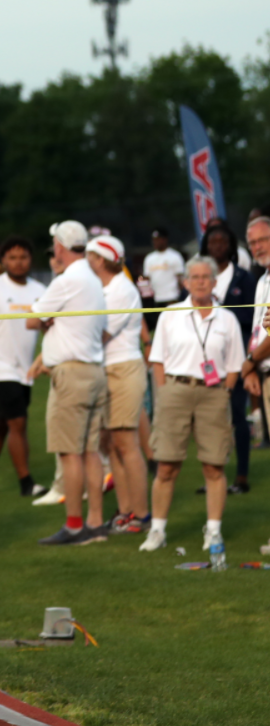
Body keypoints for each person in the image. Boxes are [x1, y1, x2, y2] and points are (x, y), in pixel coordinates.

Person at [139, 256, 244, 552]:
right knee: (166, 466)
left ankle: (213, 531)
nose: (200, 281)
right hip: (176, 390)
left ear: (214, 282)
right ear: (185, 282)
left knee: (214, 466)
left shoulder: (227, 318)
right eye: (194, 277)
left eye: (205, 277)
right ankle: (157, 531)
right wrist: (164, 391)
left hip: (213, 394)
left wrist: (225, 392)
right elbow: (157, 359)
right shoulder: (171, 314)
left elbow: (235, 363)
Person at [28, 221, 109, 545]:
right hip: (93, 371)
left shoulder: (67, 280)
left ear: (60, 246)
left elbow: (33, 319)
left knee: (69, 453)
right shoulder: (92, 279)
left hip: (72, 375)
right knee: (90, 452)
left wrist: (49, 319)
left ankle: (76, 527)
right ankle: (95, 523)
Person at [0, 236, 47, 497]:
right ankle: (27, 482)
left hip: (25, 371)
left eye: (23, 257)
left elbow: (49, 325)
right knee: (18, 423)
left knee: (1, 426)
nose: (18, 262)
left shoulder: (40, 290)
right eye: (12, 257)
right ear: (3, 260)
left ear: (30, 260)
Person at [86, 237, 150, 534]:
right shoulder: (106, 289)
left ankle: (141, 515)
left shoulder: (121, 290)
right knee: (114, 444)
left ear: (100, 260)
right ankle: (126, 511)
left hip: (123, 369)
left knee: (126, 442)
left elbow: (100, 335)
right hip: (110, 369)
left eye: (89, 256)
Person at [200, 222, 257, 494]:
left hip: (235, 358)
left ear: (231, 247)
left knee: (237, 415)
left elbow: (253, 317)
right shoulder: (198, 278)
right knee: (209, 420)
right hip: (205, 360)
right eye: (212, 242)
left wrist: (223, 311)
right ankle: (213, 476)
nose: (217, 246)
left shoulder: (244, 279)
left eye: (223, 242)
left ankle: (242, 475)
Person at [244, 217, 270, 555]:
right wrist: (255, 365)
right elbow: (260, 331)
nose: (257, 247)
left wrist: (249, 363)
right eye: (252, 243)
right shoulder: (263, 279)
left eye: (263, 239)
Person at [142, 227, 184, 332]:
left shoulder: (174, 256)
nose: (155, 242)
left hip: (172, 298)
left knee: (174, 326)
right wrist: (147, 299)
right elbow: (146, 280)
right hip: (156, 299)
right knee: (161, 328)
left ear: (165, 239)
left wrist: (181, 296)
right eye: (154, 239)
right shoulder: (149, 258)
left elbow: (180, 278)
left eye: (158, 239)